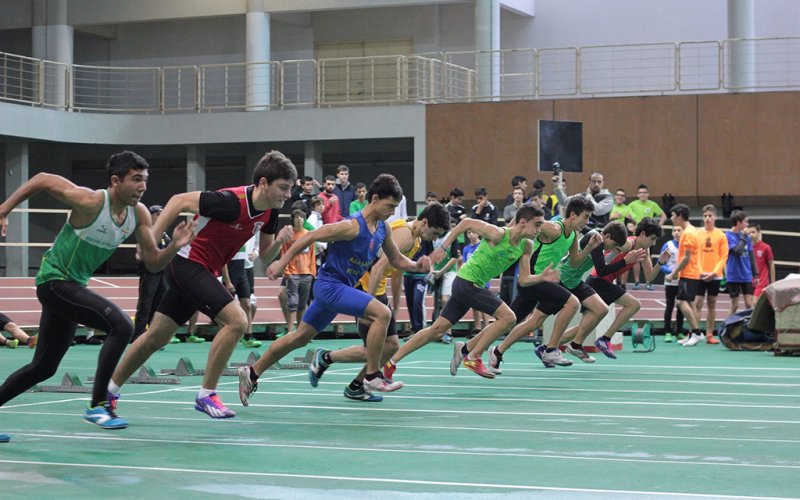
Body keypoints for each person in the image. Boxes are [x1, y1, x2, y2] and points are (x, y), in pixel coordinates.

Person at [0, 151, 196, 431]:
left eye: (145, 180)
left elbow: (152, 263)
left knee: (43, 368)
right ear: (115, 181)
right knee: (121, 326)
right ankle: (97, 405)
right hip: (54, 281)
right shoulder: (91, 202)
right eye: (136, 179)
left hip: (71, 286)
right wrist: (5, 209)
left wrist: (175, 246)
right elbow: (43, 179)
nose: (143, 186)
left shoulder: (137, 213)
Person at [109, 150, 296, 420]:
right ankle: (206, 394)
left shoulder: (270, 214)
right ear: (264, 184)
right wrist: (150, 239)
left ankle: (109, 390)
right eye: (283, 188)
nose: (287, 195)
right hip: (187, 264)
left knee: (156, 337)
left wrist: (278, 242)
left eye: (290, 189)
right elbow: (177, 200)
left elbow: (266, 257)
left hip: (204, 271)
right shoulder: (230, 201)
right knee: (236, 321)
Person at [237, 174, 431, 407]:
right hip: (329, 286)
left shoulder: (383, 229)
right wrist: (280, 262)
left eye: (395, 208)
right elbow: (311, 236)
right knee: (383, 313)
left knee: (299, 337)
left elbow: (397, 259)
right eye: (389, 206)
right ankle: (370, 378)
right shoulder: (351, 226)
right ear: (375, 198)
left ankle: (252, 373)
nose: (392, 211)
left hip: (340, 289)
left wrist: (416, 265)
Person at [383, 205, 559, 380]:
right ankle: (473, 356)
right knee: (509, 318)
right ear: (522, 222)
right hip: (466, 282)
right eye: (537, 224)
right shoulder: (497, 233)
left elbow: (524, 279)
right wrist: (442, 248)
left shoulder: (527, 245)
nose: (539, 229)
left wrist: (541, 277)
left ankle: (392, 361)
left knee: (437, 330)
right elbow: (466, 223)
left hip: (474, 286)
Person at [307, 203, 449, 401]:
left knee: (391, 346)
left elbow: (396, 269)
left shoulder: (413, 238)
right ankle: (327, 358)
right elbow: (378, 268)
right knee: (373, 350)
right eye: (434, 233)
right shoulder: (405, 235)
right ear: (424, 222)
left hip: (378, 291)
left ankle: (357, 385)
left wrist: (395, 301)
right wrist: (369, 303)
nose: (434, 239)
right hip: (366, 288)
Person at [490, 195, 596, 369]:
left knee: (514, 321)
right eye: (585, 217)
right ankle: (550, 350)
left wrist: (589, 247)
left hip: (543, 280)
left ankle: (493, 351)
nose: (587, 221)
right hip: (531, 278)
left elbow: (575, 261)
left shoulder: (573, 234)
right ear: (572, 215)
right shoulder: (554, 229)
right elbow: (521, 219)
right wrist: (503, 239)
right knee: (572, 303)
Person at [562, 219, 668, 361]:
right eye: (652, 239)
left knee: (582, 327)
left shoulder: (645, 250)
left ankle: (549, 346)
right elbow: (606, 261)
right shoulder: (628, 243)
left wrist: (660, 262)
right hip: (598, 281)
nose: (654, 243)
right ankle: (604, 339)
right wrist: (622, 256)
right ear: (642, 234)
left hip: (603, 283)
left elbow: (649, 276)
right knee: (633, 304)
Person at [545, 221, 632, 363]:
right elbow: (602, 271)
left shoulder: (600, 242)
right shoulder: (595, 239)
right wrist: (625, 261)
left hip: (575, 282)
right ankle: (545, 348)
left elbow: (600, 263)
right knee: (536, 321)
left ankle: (575, 345)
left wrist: (612, 255)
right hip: (562, 280)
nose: (613, 248)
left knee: (601, 309)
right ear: (607, 235)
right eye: (614, 244)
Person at [131, 204, 176, 344]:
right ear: (150, 216)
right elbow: (139, 254)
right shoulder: (146, 232)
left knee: (158, 306)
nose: (160, 217)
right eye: (157, 214)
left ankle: (152, 336)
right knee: (146, 305)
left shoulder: (163, 234)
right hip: (150, 273)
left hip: (163, 274)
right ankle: (138, 335)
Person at [665, 204, 706, 347]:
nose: (671, 218)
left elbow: (686, 257)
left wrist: (673, 273)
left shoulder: (688, 233)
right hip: (691, 272)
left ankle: (696, 333)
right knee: (690, 303)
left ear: (680, 216)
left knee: (681, 302)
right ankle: (693, 334)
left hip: (689, 273)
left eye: (673, 215)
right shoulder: (691, 231)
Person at [694, 205, 728, 344]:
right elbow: (694, 255)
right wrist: (701, 272)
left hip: (715, 275)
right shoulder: (697, 233)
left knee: (712, 303)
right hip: (699, 274)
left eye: (710, 216)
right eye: (705, 216)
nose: (708, 218)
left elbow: (724, 256)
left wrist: (714, 273)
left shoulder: (721, 235)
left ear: (715, 217)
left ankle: (709, 335)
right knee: (697, 303)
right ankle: (694, 333)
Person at [282, 209, 317, 334]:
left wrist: (312, 271)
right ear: (293, 220)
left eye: (302, 218)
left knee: (302, 304)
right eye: (297, 218)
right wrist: (287, 271)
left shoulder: (308, 235)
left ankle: (300, 332)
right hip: (293, 274)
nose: (299, 220)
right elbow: (284, 253)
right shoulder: (289, 236)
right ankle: (290, 331)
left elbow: (312, 254)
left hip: (306, 274)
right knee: (292, 304)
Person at [628, 184, 667, 289]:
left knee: (645, 257)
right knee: (635, 259)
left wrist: (658, 227)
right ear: (637, 194)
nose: (642, 194)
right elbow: (627, 215)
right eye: (640, 192)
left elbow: (663, 215)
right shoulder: (632, 204)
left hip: (648, 235)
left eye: (644, 192)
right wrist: (631, 223)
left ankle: (647, 283)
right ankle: (636, 281)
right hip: (637, 234)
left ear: (648, 194)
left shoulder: (652, 204)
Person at [726, 210, 757, 317]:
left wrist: (755, 274)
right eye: (745, 222)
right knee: (734, 306)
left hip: (746, 275)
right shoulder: (728, 236)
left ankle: (753, 328)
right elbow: (737, 251)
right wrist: (743, 236)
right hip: (734, 275)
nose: (747, 225)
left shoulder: (747, 238)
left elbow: (751, 255)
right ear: (739, 222)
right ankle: (726, 328)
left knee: (749, 304)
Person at [660, 226, 685, 343]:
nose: (676, 232)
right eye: (674, 230)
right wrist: (671, 272)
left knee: (681, 307)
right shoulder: (668, 245)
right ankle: (668, 332)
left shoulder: (686, 246)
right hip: (670, 281)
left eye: (679, 230)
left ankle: (679, 331)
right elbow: (661, 263)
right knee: (669, 306)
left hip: (683, 280)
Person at [748, 224, 775, 297]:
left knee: (755, 302)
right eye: (749, 233)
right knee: (749, 304)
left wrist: (773, 282)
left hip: (762, 281)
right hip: (749, 281)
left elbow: (771, 264)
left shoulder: (766, 247)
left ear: (759, 232)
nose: (751, 235)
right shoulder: (747, 247)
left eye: (753, 232)